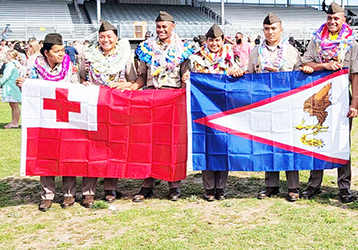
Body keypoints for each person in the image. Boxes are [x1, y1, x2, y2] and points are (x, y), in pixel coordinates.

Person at [16, 33, 85, 212]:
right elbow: (29, 86)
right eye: (57, 51)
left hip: (66, 116)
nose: (62, 54)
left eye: (63, 50)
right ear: (46, 52)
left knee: (68, 152)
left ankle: (69, 194)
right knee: (46, 154)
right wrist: (23, 83)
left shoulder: (69, 66)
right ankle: (47, 195)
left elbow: (75, 86)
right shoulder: (33, 65)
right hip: (44, 116)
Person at [298, 2, 358, 204]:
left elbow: (355, 76)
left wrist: (355, 102)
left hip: (342, 98)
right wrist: (323, 65)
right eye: (329, 18)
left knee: (343, 141)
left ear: (344, 20)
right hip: (320, 98)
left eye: (336, 18)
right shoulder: (316, 41)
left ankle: (344, 186)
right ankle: (314, 184)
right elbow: (305, 63)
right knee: (318, 136)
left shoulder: (352, 44)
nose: (332, 22)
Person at [247, 13, 311, 202]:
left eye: (274, 28)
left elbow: (300, 76)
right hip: (264, 105)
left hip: (286, 105)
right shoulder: (254, 52)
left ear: (281, 30)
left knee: (289, 143)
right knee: (267, 141)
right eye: (267, 29)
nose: (270, 32)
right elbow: (249, 77)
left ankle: (293, 186)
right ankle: (271, 185)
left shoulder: (291, 51)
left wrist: (304, 70)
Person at [132, 11, 194, 202]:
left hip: (172, 97)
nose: (161, 30)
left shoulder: (183, 49)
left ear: (172, 26)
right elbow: (141, 77)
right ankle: (147, 184)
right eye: (158, 26)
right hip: (151, 96)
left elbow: (186, 78)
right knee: (147, 142)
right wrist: (131, 89)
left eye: (164, 26)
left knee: (172, 143)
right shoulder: (145, 49)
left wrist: (187, 82)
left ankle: (174, 184)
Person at [80, 20, 143, 204]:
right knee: (90, 146)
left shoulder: (125, 56)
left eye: (109, 36)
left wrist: (125, 85)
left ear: (116, 38)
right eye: (102, 37)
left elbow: (133, 81)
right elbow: (81, 77)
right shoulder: (89, 55)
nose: (105, 40)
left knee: (113, 147)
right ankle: (88, 190)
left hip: (116, 109)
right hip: (93, 107)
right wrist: (84, 83)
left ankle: (110, 188)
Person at [183, 24, 243, 202]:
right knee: (206, 145)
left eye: (217, 40)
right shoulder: (195, 59)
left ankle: (221, 187)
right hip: (202, 109)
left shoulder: (232, 57)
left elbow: (240, 74)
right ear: (206, 41)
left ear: (223, 40)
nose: (214, 43)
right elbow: (188, 77)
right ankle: (209, 188)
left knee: (223, 145)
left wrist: (237, 73)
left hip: (225, 108)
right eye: (211, 40)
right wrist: (186, 78)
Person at [1, 50, 21, 129]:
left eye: (8, 55)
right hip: (13, 86)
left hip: (11, 87)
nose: (7, 56)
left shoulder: (10, 65)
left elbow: (6, 76)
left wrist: (1, 83)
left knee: (14, 105)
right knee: (13, 105)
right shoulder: (15, 64)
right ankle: (14, 121)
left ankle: (15, 122)